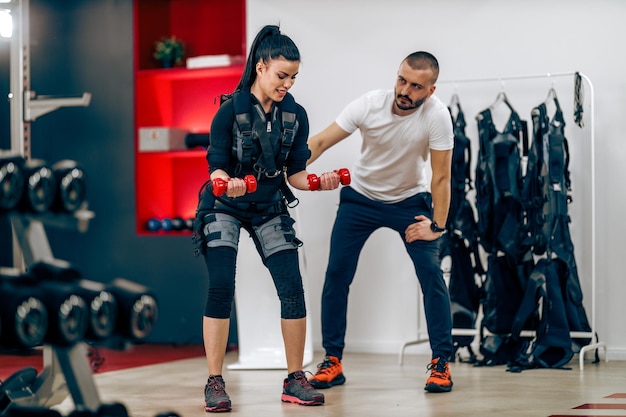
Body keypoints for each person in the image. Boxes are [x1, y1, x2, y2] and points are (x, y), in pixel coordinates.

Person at [193, 25, 342, 412]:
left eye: (293, 77)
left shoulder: (296, 116)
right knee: (222, 286)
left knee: (292, 287)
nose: (287, 84)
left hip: (268, 207)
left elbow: (294, 174)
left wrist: (318, 182)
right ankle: (214, 382)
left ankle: (295, 379)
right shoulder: (229, 111)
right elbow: (216, 168)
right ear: (260, 67)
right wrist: (229, 184)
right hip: (223, 206)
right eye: (281, 75)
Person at [306, 51, 455, 393]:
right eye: (402, 80)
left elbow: (442, 178)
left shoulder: (438, 117)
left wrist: (437, 225)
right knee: (337, 274)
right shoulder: (369, 104)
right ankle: (332, 360)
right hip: (360, 199)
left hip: (409, 201)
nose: (405, 90)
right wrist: (289, 168)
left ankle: (441, 362)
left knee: (431, 275)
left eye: (416, 86)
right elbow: (320, 142)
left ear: (430, 90)